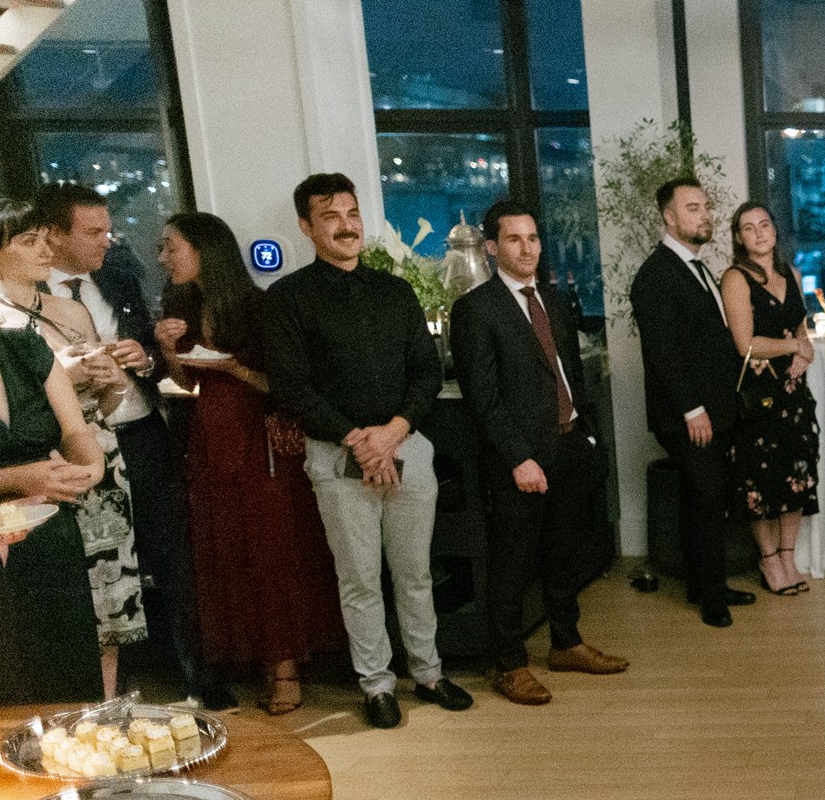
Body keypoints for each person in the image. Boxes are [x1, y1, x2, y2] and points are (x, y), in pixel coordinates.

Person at [267, 173, 473, 729]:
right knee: (359, 578)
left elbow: (426, 370)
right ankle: (377, 685)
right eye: (330, 216)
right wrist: (360, 441)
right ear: (307, 227)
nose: (345, 225)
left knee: (415, 573)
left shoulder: (395, 291)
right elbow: (291, 386)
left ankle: (428, 673)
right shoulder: (287, 297)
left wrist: (392, 433)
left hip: (407, 447)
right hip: (337, 459)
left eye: (352, 213)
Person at [39, 184, 229, 707]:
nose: (108, 240)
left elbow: (150, 351)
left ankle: (200, 677)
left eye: (107, 228)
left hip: (144, 434)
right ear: (53, 236)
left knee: (174, 560)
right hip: (83, 446)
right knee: (100, 571)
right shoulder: (28, 300)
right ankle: (104, 694)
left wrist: (142, 357)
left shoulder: (119, 279)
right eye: (93, 231)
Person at [155, 213, 345, 716]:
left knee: (272, 552)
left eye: (171, 246)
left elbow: (283, 385)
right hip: (208, 441)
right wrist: (168, 351)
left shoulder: (259, 306)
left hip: (258, 443)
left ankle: (284, 668)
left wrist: (231, 365)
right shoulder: (183, 306)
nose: (163, 257)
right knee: (226, 553)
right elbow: (188, 384)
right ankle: (244, 659)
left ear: (204, 250)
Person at [448, 200, 626, 707]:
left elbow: (566, 371)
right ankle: (508, 663)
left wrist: (587, 435)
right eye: (513, 239)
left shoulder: (554, 301)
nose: (526, 248)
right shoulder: (476, 309)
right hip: (520, 458)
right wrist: (517, 458)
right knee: (512, 563)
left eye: (532, 238)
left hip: (569, 445)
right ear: (490, 247)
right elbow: (483, 397)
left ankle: (566, 643)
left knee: (563, 554)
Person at [0, 197, 146, 696]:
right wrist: (62, 378)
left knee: (100, 609)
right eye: (28, 240)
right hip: (28, 474)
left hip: (86, 457)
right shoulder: (2, 323)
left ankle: (100, 710)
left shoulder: (63, 313)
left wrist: (110, 376)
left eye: (44, 238)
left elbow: (102, 405)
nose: (44, 249)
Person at [631, 178, 753, 628]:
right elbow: (664, 353)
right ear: (669, 216)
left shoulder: (698, 268)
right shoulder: (656, 275)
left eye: (705, 207)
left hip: (713, 407)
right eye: (693, 208)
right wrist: (691, 410)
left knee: (704, 497)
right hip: (688, 413)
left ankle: (707, 585)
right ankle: (710, 599)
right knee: (704, 496)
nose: (705, 215)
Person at [0, 313, 105, 704]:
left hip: (51, 532)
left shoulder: (24, 345)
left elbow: (75, 431)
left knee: (67, 684)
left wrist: (88, 469)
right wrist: (20, 479)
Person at [721, 201, 821, 596]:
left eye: (765, 224)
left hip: (794, 392)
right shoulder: (735, 278)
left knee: (796, 474)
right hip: (757, 395)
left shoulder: (791, 272)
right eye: (749, 228)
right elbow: (745, 344)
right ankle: (768, 561)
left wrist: (804, 349)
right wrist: (792, 345)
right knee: (759, 480)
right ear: (739, 238)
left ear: (775, 231)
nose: (759, 233)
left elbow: (802, 328)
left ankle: (788, 555)